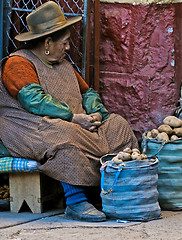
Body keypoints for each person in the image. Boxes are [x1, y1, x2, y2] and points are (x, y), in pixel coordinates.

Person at [0, 1, 138, 221]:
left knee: (118, 125)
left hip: (73, 122)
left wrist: (96, 113)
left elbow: (87, 93)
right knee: (63, 134)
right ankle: (75, 201)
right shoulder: (18, 63)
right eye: (64, 43)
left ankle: (116, 192)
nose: (67, 48)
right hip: (27, 127)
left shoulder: (64, 65)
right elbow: (33, 100)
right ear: (47, 42)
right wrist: (73, 117)